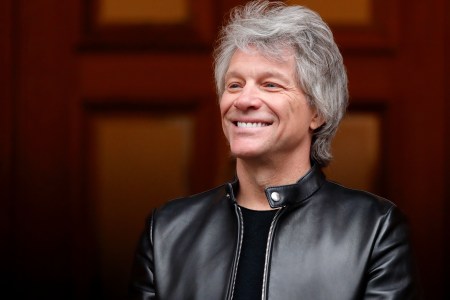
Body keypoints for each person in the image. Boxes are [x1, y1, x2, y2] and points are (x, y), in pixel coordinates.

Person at [129, 1, 419, 299]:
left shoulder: (374, 230)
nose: (243, 100)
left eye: (270, 85)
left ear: (318, 112)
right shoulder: (165, 231)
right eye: (234, 85)